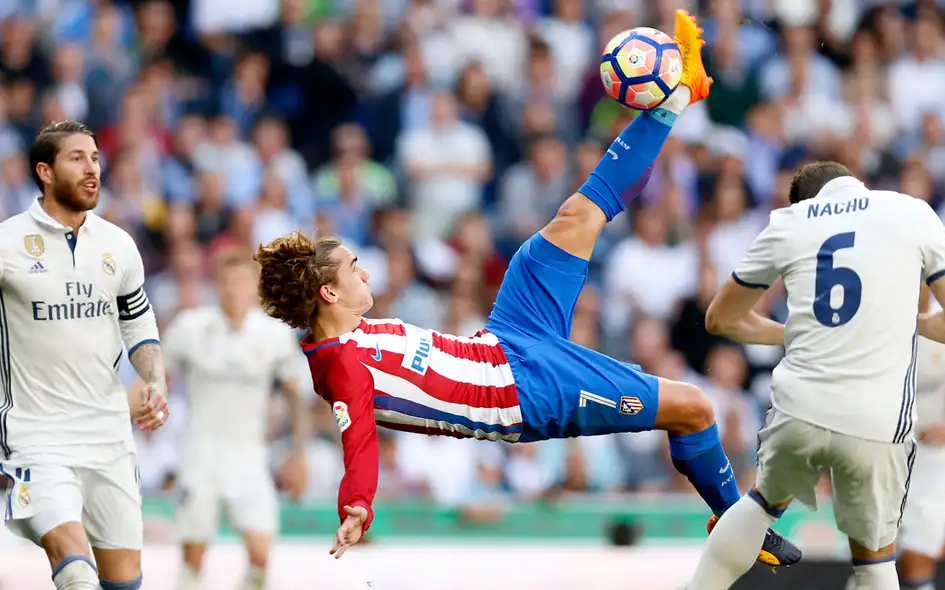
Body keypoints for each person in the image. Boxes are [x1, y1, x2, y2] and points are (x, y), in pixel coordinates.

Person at [255, 11, 802, 568]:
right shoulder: (340, 364)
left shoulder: (352, 334)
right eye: (352, 268)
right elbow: (359, 442)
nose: (365, 272)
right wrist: (356, 507)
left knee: (575, 216)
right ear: (328, 294)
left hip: (507, 336)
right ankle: (740, 525)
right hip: (525, 390)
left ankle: (678, 94)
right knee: (694, 406)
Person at [688, 160, 945, 590]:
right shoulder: (912, 210)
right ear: (856, 186)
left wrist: (790, 333)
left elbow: (719, 319)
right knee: (875, 557)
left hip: (801, 406)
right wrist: (899, 319)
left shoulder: (789, 222)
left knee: (759, 506)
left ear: (808, 202)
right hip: (878, 421)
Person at [0, 120, 169, 590]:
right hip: (36, 436)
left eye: (95, 157)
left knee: (122, 583)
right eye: (76, 158)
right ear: (45, 171)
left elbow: (138, 325)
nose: (92, 168)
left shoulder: (118, 245)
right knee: (76, 574)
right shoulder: (6, 246)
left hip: (108, 436)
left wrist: (154, 379)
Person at [162, 249, 310, 590]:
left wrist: (300, 453)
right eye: (226, 282)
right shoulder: (191, 328)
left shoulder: (273, 335)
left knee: (261, 554)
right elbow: (157, 379)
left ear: (254, 288)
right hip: (200, 454)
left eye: (240, 282)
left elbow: (295, 395)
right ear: (216, 285)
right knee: (193, 557)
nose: (232, 289)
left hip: (248, 457)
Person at [847, 287, 945, 590]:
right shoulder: (869, 324)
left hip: (931, 460)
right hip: (878, 454)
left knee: (919, 554)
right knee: (876, 560)